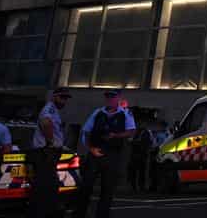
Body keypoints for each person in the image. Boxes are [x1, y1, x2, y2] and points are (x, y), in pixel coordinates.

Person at [74, 90, 136, 218]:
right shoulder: (98, 113)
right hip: (95, 153)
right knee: (86, 186)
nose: (109, 99)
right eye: (107, 97)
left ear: (118, 98)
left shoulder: (125, 113)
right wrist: (91, 149)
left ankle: (102, 215)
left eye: (112, 97)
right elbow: (86, 131)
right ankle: (79, 213)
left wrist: (116, 135)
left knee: (107, 188)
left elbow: (131, 131)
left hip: (112, 155)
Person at [31, 88, 71, 218]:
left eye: (66, 99)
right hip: (46, 152)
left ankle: (45, 211)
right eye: (62, 98)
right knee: (46, 185)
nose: (64, 101)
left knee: (48, 184)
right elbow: (45, 123)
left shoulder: (54, 111)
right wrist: (51, 142)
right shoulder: (50, 109)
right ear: (54, 97)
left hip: (48, 151)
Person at [127, 122, 154, 191]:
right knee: (135, 171)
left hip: (142, 154)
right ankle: (134, 186)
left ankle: (140, 186)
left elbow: (151, 141)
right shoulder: (136, 132)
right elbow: (130, 140)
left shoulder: (147, 132)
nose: (142, 125)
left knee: (142, 171)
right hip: (136, 153)